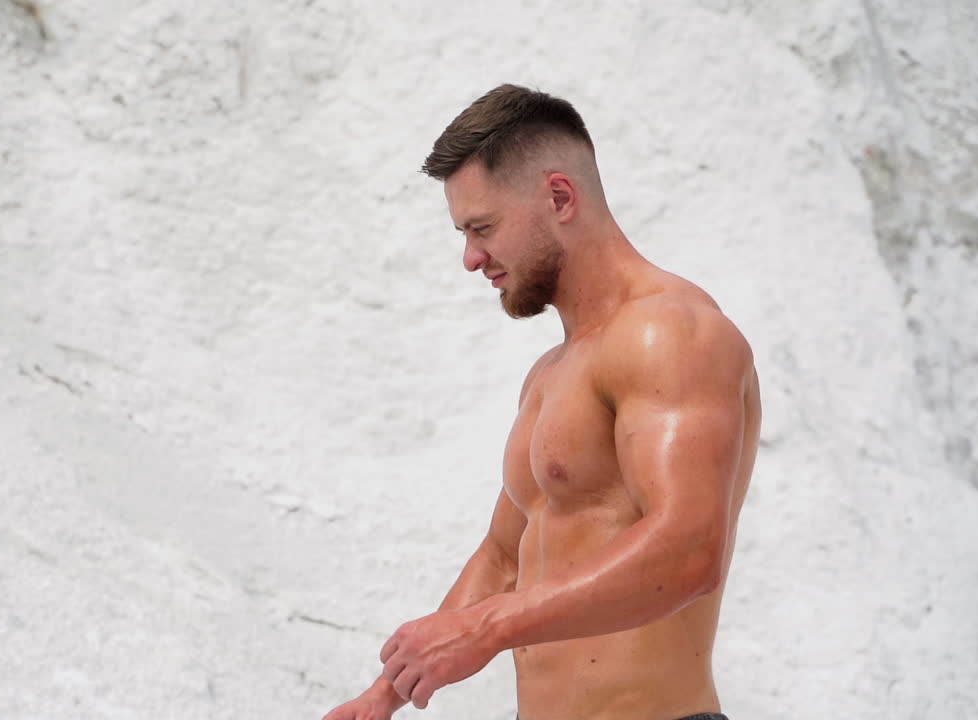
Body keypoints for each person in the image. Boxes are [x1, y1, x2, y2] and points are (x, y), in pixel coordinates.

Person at [321, 84, 761, 720]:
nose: (471, 259)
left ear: (559, 197)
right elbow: (504, 556)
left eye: (483, 228)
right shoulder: (551, 374)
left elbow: (689, 551)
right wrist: (383, 696)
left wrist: (488, 630)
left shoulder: (668, 332)